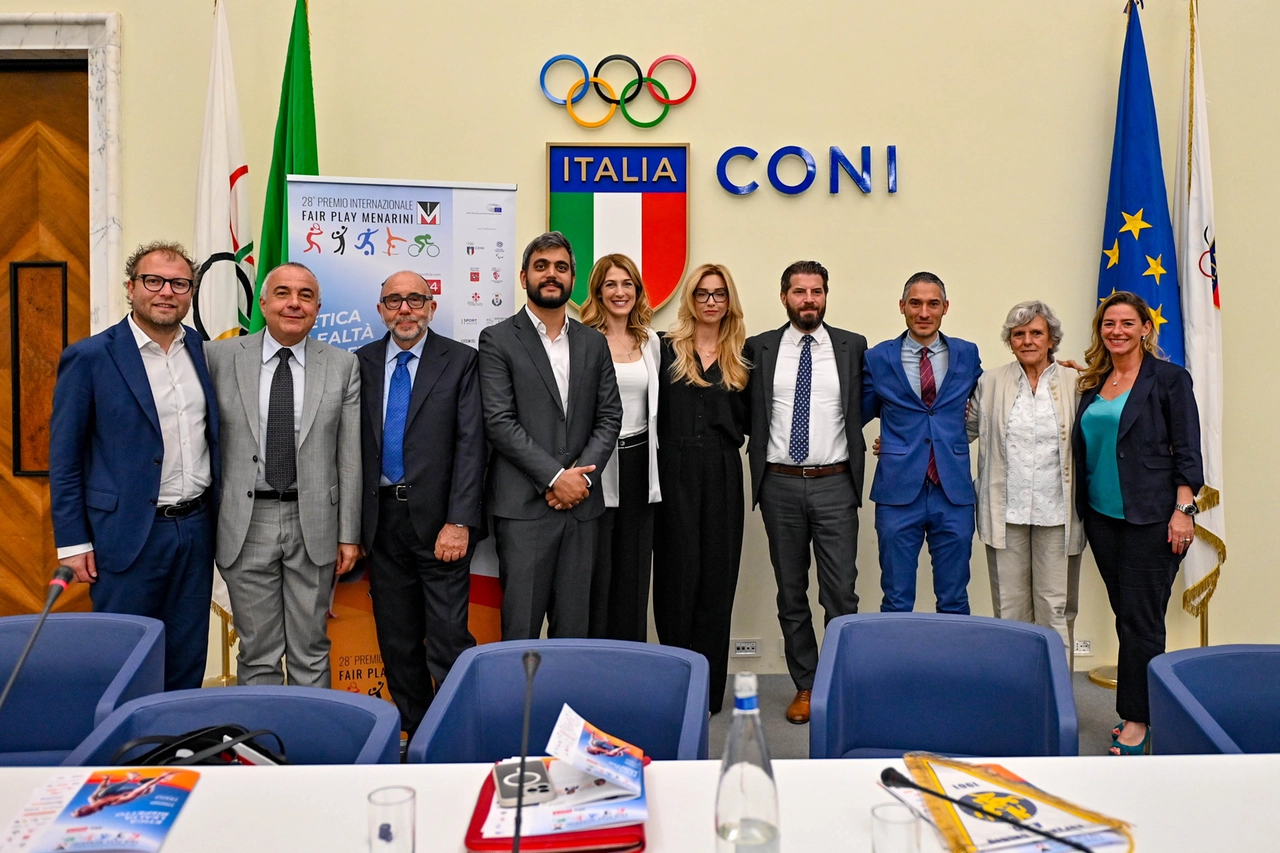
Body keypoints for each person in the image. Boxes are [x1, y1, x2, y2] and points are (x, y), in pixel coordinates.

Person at [49, 241, 221, 691]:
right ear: (131, 288)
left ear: (191, 291)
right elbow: (64, 458)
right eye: (154, 281)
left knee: (187, 656)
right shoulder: (90, 357)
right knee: (124, 660)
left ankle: (179, 750)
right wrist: (72, 542)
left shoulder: (203, 352)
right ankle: (125, 755)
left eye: (179, 283)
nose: (166, 291)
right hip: (126, 535)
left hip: (197, 528)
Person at [205, 262, 361, 687]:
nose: (294, 303)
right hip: (244, 523)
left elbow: (349, 457)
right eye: (283, 293)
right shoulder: (217, 357)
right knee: (257, 652)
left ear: (318, 307)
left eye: (305, 295)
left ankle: (314, 748)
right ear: (263, 301)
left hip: (313, 523)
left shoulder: (343, 365)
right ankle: (262, 750)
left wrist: (348, 533)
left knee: (311, 650)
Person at [1071, 291, 1203, 755]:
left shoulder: (1169, 379)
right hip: (1104, 518)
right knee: (1128, 617)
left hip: (1153, 518)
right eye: (1109, 324)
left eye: (1128, 323)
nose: (1117, 331)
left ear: (1146, 328)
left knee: (1142, 621)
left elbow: (1187, 448)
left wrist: (1183, 511)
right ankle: (1142, 708)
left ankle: (1139, 720)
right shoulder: (1093, 383)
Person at [356, 271, 484, 736]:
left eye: (415, 299)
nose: (404, 309)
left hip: (440, 525)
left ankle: (457, 735)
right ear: (381, 310)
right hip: (381, 523)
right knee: (397, 641)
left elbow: (473, 445)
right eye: (394, 301)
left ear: (431, 307)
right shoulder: (361, 362)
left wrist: (459, 521)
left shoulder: (462, 360)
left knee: (448, 640)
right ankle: (420, 734)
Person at [478, 232, 622, 640]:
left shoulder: (593, 343)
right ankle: (522, 707)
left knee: (575, 630)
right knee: (520, 629)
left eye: (561, 267)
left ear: (573, 279)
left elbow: (610, 415)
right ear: (524, 277)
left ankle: (566, 706)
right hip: (524, 510)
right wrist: (557, 478)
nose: (552, 274)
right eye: (542, 266)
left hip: (581, 509)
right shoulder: (498, 339)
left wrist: (580, 479)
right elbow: (499, 421)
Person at [744, 261, 867, 725]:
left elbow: (873, 401)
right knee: (791, 592)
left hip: (835, 481)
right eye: (800, 292)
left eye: (816, 291)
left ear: (826, 295)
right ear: (784, 297)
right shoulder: (760, 348)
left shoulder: (852, 347)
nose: (809, 299)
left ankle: (840, 682)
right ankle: (806, 685)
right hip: (778, 484)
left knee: (841, 593)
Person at [653, 264, 750, 714]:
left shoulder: (744, 357)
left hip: (723, 472)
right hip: (671, 469)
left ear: (729, 301)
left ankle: (708, 695)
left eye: (719, 294)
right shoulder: (662, 348)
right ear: (690, 299)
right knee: (675, 580)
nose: (711, 301)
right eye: (703, 294)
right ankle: (675, 687)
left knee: (716, 582)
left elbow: (762, 420)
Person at [967, 301, 1084, 665]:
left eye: (1036, 333)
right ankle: (1016, 696)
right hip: (1005, 514)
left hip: (1059, 514)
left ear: (1051, 339)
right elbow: (959, 431)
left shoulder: (1077, 382)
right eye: (1019, 334)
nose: (1028, 340)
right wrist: (896, 442)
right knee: (1010, 611)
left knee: (1055, 610)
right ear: (1010, 340)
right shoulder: (990, 382)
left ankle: (1057, 703)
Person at [862, 272, 982, 613]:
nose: (924, 312)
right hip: (898, 491)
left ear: (946, 308)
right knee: (897, 599)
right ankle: (899, 667)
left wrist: (1054, 372)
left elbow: (991, 401)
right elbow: (858, 411)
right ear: (902, 307)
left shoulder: (967, 354)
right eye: (915, 303)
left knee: (955, 599)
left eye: (933, 304)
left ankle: (951, 667)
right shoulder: (878, 358)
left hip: (953, 492)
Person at [578, 254, 662, 642]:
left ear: (638, 291)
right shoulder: (582, 342)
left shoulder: (651, 342)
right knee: (596, 575)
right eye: (611, 284)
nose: (620, 292)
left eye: (627, 284)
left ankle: (633, 665)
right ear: (597, 291)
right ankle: (595, 668)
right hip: (595, 465)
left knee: (634, 572)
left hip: (639, 464)